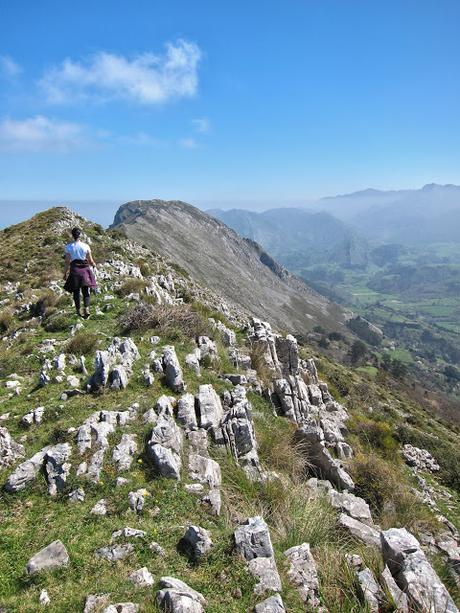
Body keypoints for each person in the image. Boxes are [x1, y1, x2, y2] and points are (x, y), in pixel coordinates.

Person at [63, 227, 97, 318]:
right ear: (80, 235)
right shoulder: (86, 246)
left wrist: (65, 273)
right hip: (85, 269)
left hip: (75, 270)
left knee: (76, 291)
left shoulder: (68, 247)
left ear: (72, 235)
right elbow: (90, 260)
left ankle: (78, 311)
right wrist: (94, 265)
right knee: (86, 290)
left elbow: (67, 262)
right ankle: (86, 309)